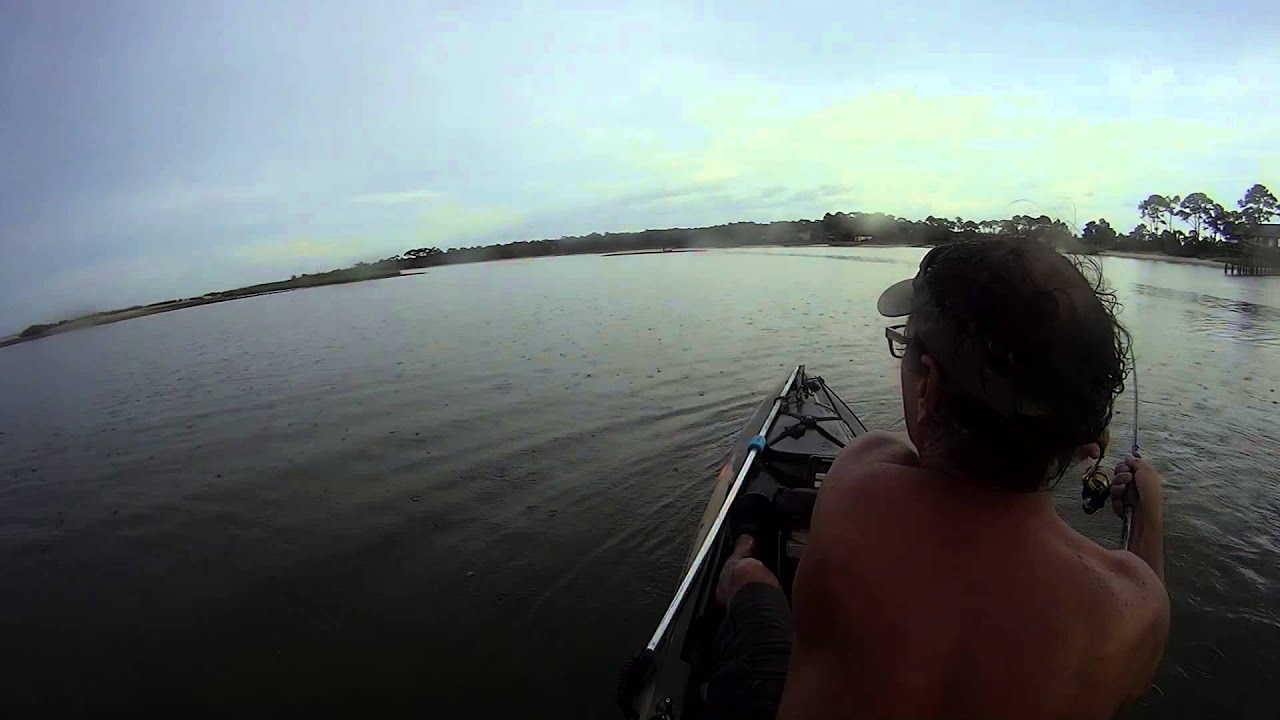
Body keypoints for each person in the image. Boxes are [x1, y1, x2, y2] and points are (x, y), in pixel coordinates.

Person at [710, 237, 1169, 720]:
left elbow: (937, 457)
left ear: (927, 383)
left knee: (748, 575)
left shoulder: (861, 476)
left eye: (906, 346)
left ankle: (738, 561)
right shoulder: (1132, 615)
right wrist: (1148, 512)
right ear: (1082, 437)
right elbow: (1147, 595)